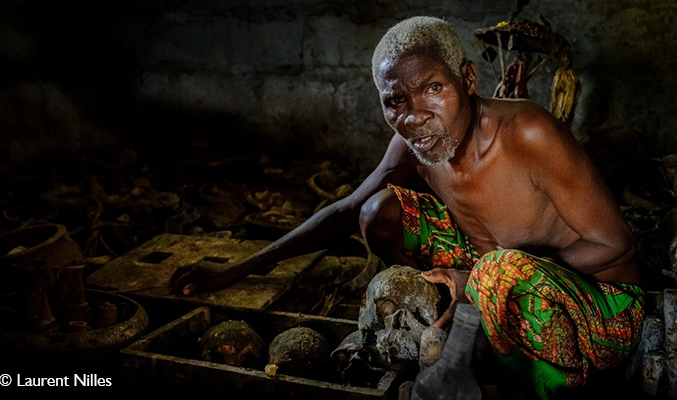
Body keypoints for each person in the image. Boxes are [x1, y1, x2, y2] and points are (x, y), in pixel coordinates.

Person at [170, 16, 644, 399]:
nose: (413, 115)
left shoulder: (529, 133)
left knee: (497, 272)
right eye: (395, 100)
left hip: (600, 306)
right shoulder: (414, 141)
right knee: (379, 212)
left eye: (432, 89)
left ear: (468, 79)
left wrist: (482, 281)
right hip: (497, 272)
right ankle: (470, 314)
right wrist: (240, 268)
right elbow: (348, 208)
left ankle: (536, 371)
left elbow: (616, 243)